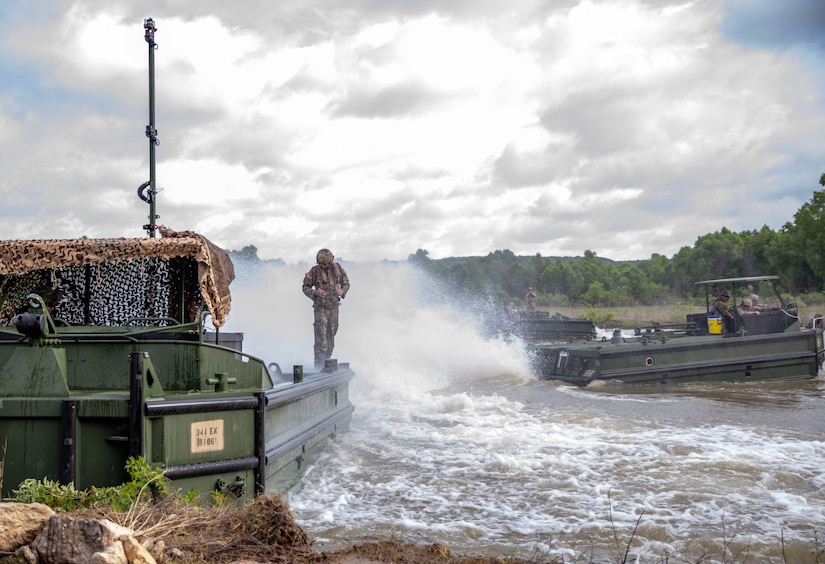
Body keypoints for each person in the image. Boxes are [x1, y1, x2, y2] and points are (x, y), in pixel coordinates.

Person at [302, 248, 350, 369]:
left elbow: (346, 284)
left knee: (331, 337)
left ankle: (326, 363)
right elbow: (305, 287)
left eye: (326, 264)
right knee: (321, 339)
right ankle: (318, 366)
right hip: (320, 308)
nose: (324, 266)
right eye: (322, 264)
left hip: (334, 307)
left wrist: (342, 291)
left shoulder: (338, 269)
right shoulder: (314, 271)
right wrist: (315, 293)